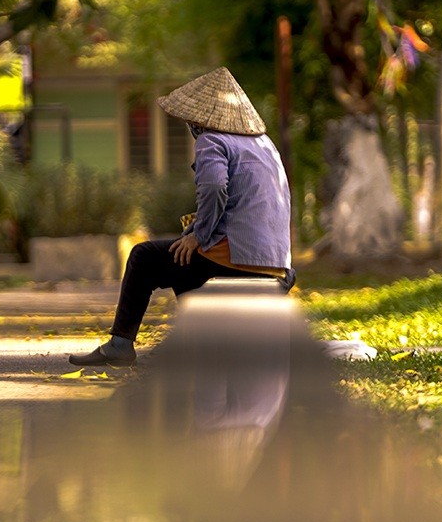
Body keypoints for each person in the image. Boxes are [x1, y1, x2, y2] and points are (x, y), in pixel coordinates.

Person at [69, 67, 294, 367]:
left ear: (198, 120)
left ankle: (120, 344)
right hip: (277, 265)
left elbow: (215, 189)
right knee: (181, 257)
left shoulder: (212, 141)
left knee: (145, 256)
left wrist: (199, 236)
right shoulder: (265, 145)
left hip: (239, 258)